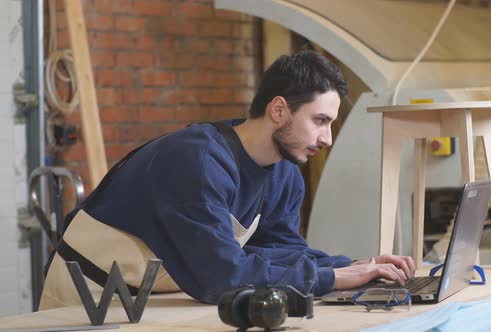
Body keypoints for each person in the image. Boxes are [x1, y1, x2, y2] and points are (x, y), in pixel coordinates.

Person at [40, 50, 415, 309]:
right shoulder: (198, 162)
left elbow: (281, 250)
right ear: (279, 110)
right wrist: (336, 279)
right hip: (88, 296)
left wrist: (359, 268)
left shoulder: (284, 172)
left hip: (157, 295)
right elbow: (223, 277)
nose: (327, 139)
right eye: (320, 121)